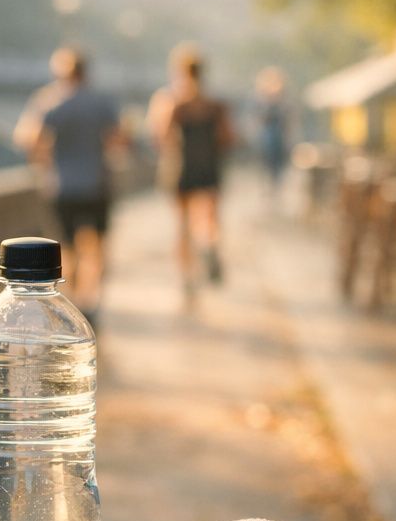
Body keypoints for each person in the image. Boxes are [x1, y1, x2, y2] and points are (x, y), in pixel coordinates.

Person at [14, 48, 123, 325]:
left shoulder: (50, 102)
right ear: (86, 72)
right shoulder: (101, 102)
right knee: (97, 244)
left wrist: (47, 160)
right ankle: (92, 299)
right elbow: (118, 141)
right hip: (97, 184)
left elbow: (30, 139)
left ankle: (72, 298)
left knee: (68, 248)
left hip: (63, 186)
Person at [148, 44, 235, 303]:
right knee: (210, 217)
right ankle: (209, 247)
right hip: (209, 166)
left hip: (181, 168)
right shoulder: (215, 104)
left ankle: (187, 274)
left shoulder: (171, 101)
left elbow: (160, 136)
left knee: (183, 225)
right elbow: (227, 137)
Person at [254, 66, 293, 195]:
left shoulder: (283, 102)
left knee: (278, 169)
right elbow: (258, 120)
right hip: (267, 139)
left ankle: (276, 190)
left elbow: (288, 123)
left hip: (278, 138)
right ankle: (268, 191)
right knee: (267, 168)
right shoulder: (262, 101)